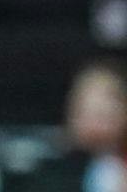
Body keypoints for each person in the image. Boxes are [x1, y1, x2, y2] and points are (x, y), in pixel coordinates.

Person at [7, 60, 127, 192]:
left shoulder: (119, 167)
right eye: (85, 111)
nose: (95, 124)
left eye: (103, 114)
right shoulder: (50, 174)